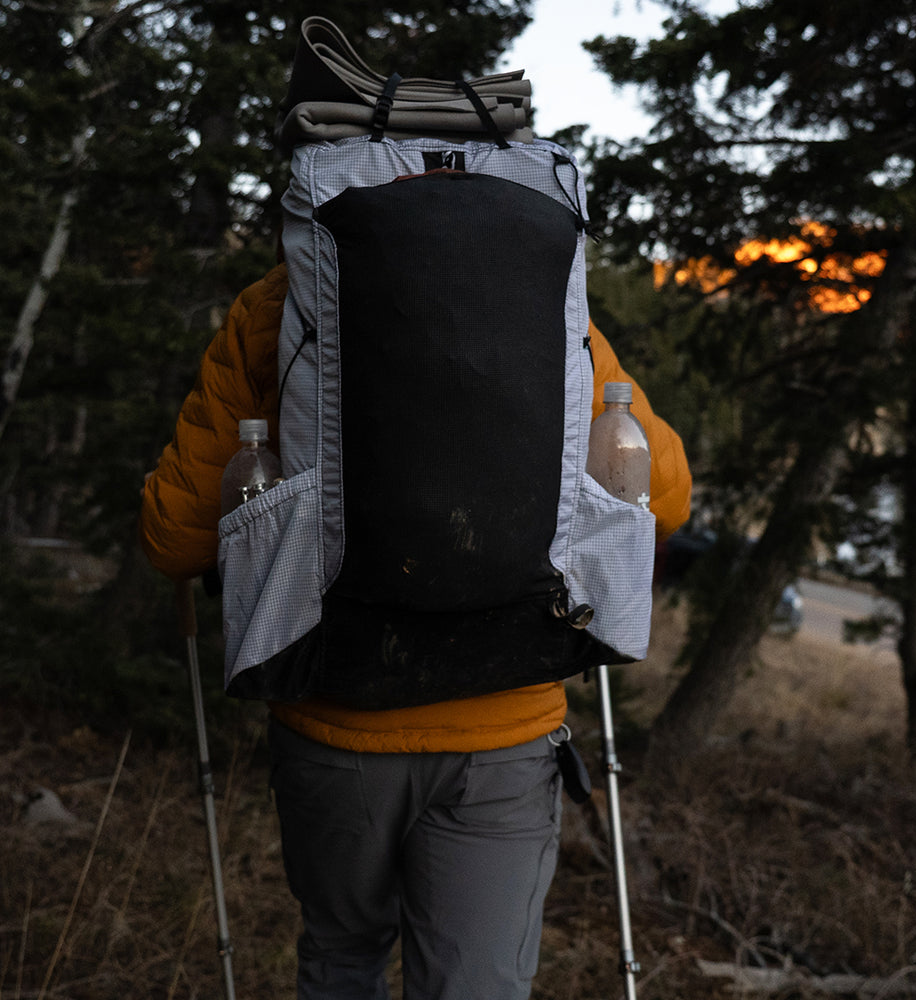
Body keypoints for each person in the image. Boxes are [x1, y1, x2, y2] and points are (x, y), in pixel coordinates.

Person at [139, 259, 691, 999]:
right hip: (505, 725)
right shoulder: (542, 290)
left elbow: (175, 537)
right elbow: (667, 494)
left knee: (342, 957)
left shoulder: (283, 300)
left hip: (332, 712)